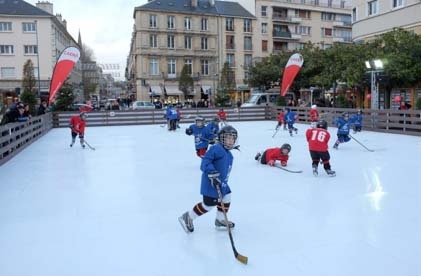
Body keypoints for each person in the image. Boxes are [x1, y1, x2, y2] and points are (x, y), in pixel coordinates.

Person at [179, 125, 239, 233]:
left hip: (222, 184)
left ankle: (220, 220)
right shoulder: (216, 148)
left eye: (232, 138)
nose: (230, 141)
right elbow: (205, 162)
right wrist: (212, 172)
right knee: (208, 205)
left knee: (227, 197)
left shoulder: (229, 154)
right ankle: (188, 217)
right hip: (211, 184)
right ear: (221, 138)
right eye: (228, 138)